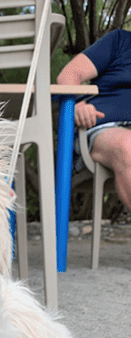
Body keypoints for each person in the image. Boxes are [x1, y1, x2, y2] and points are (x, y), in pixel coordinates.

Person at [56, 28, 131, 212]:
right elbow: (68, 75)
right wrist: (79, 105)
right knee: (128, 146)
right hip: (105, 127)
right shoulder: (120, 41)